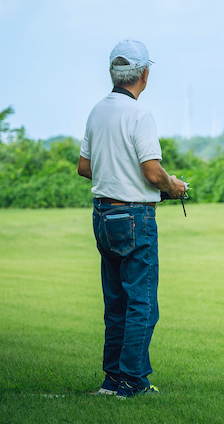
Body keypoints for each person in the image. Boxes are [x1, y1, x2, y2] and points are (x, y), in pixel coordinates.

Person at [77, 39, 188, 399]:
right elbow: (153, 173)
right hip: (135, 217)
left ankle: (112, 381)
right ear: (143, 74)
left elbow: (85, 168)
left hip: (103, 216)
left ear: (114, 72)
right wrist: (175, 187)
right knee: (142, 303)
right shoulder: (140, 115)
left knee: (116, 303)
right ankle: (132, 382)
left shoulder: (97, 111)